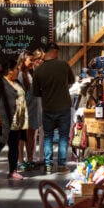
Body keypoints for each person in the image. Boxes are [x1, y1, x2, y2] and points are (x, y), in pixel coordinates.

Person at [32, 41, 75, 175]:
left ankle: (48, 166)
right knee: (63, 137)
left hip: (48, 108)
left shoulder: (38, 70)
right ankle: (62, 166)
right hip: (63, 107)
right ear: (55, 52)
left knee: (48, 137)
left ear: (45, 53)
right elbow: (72, 81)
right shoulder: (64, 65)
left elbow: (36, 92)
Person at [0, 58, 28, 182]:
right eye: (16, 69)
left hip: (16, 120)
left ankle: (13, 171)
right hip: (4, 119)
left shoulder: (17, 83)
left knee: (14, 145)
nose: (17, 71)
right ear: (9, 71)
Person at [16, 49, 42, 171]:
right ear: (23, 60)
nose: (32, 62)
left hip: (33, 109)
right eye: (30, 60)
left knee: (31, 136)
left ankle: (30, 159)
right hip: (24, 110)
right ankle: (21, 160)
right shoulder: (20, 75)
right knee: (22, 137)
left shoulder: (31, 73)